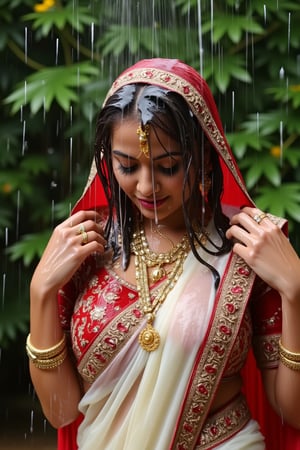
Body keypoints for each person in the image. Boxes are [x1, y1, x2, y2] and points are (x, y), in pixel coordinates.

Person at [27, 58, 300, 450]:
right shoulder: (85, 246)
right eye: (126, 165)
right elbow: (62, 411)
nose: (146, 186)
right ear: (107, 161)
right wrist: (40, 293)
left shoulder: (247, 246)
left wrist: (295, 291)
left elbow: (292, 410)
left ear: (205, 157)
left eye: (168, 166)